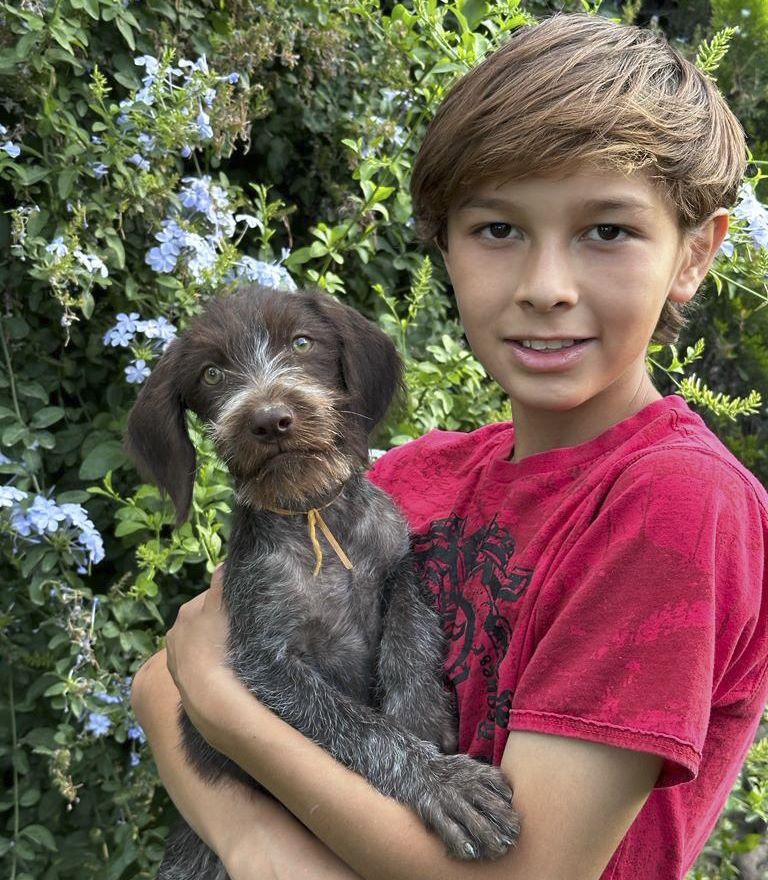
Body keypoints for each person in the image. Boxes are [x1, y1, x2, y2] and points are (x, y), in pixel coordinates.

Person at [131, 11, 768, 880]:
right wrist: (250, 838)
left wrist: (234, 744)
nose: (546, 287)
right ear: (445, 249)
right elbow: (164, 676)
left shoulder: (675, 503)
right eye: (498, 230)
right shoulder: (410, 476)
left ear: (693, 255)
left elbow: (523, 872)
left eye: (607, 231)